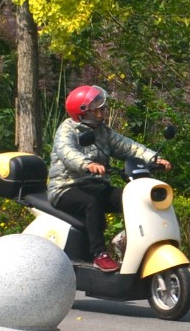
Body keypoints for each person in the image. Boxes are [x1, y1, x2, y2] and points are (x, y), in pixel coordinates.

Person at [47, 85, 170, 273]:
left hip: (95, 185)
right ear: (82, 113)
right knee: (92, 203)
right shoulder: (67, 130)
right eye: (96, 110)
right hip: (66, 187)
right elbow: (67, 152)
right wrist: (87, 164)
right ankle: (99, 255)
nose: (101, 113)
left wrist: (154, 158)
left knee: (134, 199)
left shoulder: (102, 131)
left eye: (102, 108)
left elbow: (127, 146)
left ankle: (126, 240)